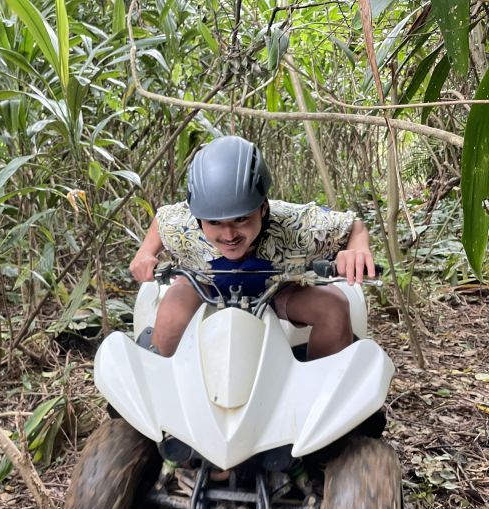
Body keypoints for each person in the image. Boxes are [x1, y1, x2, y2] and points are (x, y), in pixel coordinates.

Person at [129, 135, 375, 360]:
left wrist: (356, 250)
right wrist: (145, 253)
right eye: (214, 223)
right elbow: (161, 221)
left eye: (241, 219)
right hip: (203, 283)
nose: (229, 235)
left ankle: (322, 395)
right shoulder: (183, 224)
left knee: (333, 307)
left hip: (276, 289)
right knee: (171, 314)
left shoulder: (298, 225)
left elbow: (354, 225)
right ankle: (160, 393)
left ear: (263, 208)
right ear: (197, 218)